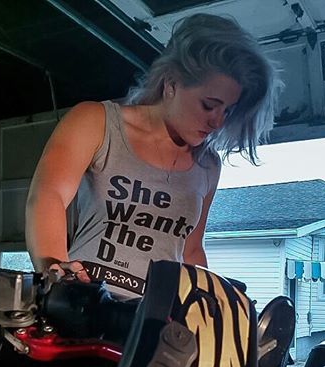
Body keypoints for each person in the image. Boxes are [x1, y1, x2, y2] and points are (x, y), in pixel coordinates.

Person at [26, 13, 281, 299]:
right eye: (209, 105)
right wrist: (57, 276)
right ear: (171, 83)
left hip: (159, 316)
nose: (217, 121)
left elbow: (191, 249)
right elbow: (48, 196)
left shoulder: (208, 165)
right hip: (86, 304)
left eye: (227, 111)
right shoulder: (96, 121)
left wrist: (210, 304)